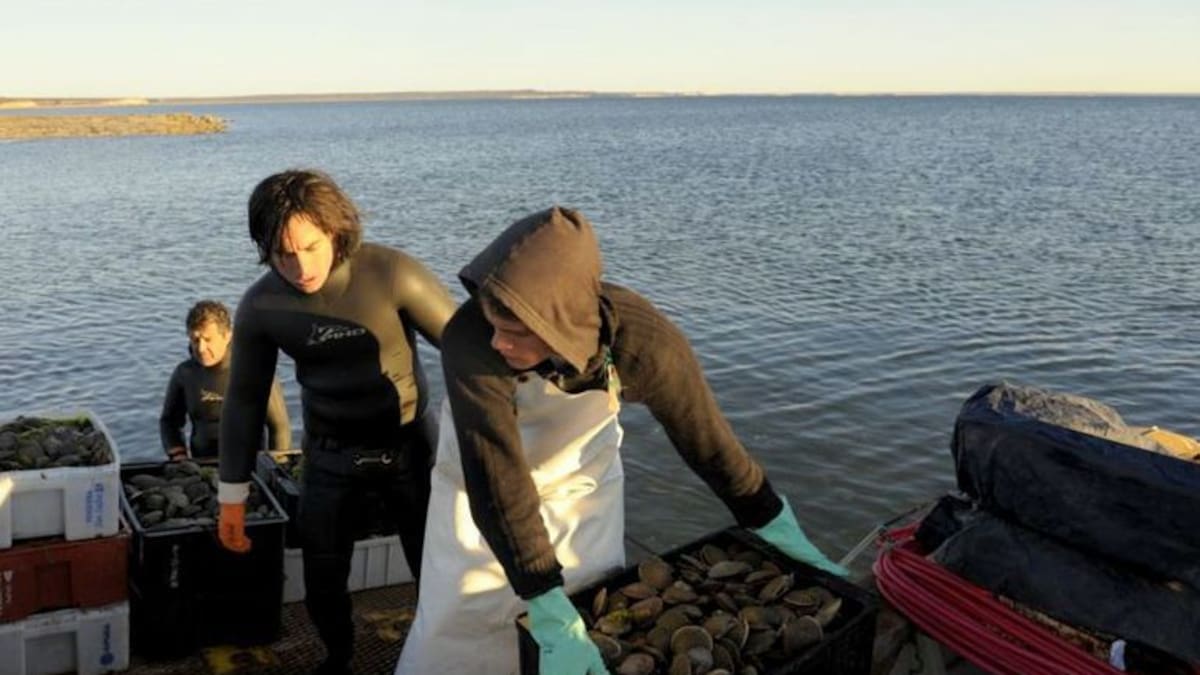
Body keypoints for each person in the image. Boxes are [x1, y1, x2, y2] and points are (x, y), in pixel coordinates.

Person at [396, 206, 847, 675]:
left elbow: (710, 444)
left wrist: (771, 519)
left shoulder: (645, 343)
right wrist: (544, 602)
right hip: (480, 497)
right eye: (494, 323)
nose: (498, 344)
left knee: (596, 614)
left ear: (560, 326)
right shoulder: (470, 341)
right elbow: (497, 477)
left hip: (582, 491)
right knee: (461, 627)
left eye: (514, 333)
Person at [215, 169, 457, 675]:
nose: (301, 266)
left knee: (435, 569)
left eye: (311, 246)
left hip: (410, 446)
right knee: (324, 577)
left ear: (336, 232)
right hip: (329, 454)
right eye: (284, 254)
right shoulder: (262, 306)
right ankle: (339, 657)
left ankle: (442, 656)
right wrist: (231, 497)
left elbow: (467, 349)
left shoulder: (392, 274)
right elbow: (243, 402)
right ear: (265, 249)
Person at [159, 300, 291, 461]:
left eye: (208, 340)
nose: (201, 348)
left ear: (227, 336)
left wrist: (276, 465)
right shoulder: (185, 373)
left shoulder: (253, 370)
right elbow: (169, 422)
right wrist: (178, 454)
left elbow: (279, 426)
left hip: (249, 464)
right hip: (203, 463)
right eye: (195, 340)